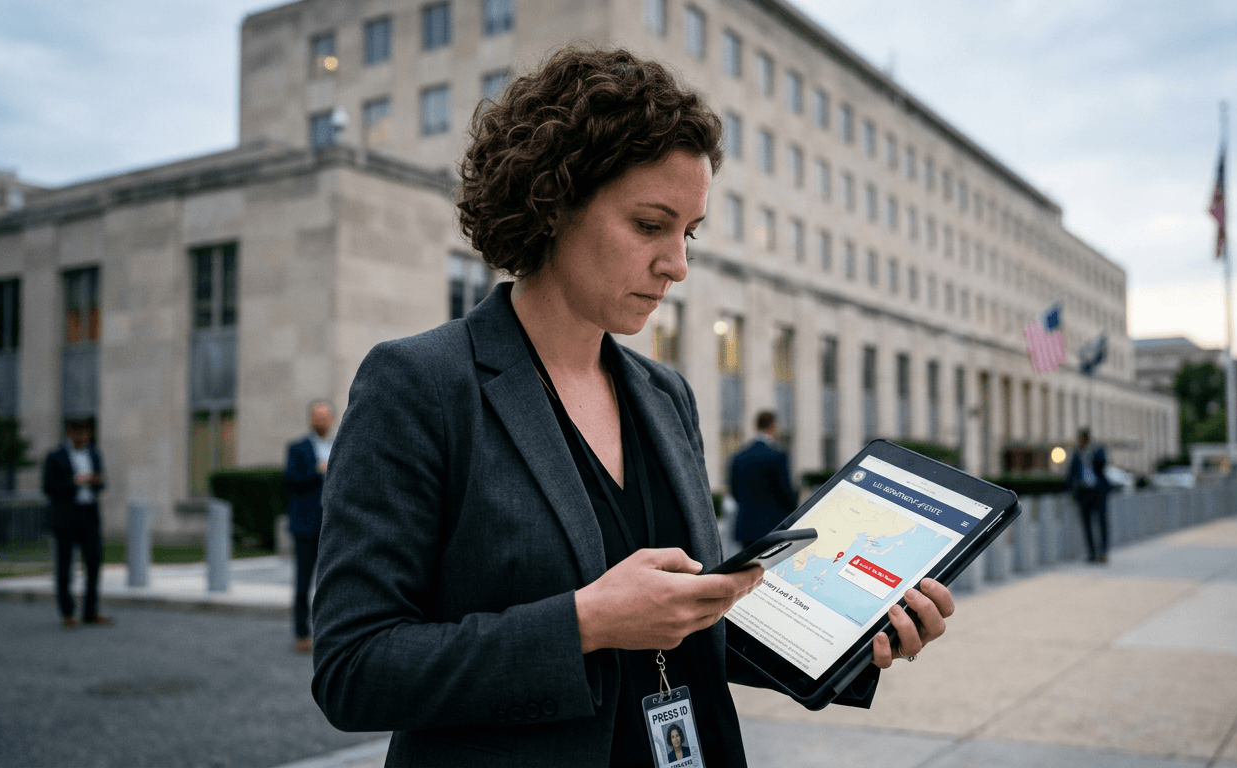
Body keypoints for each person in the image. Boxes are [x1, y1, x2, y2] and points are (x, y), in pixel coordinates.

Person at [310, 47, 954, 767]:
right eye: (650, 225)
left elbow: (690, 628)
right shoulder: (420, 383)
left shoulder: (665, 394)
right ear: (552, 203)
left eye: (689, 232)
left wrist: (852, 640)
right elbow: (353, 668)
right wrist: (584, 623)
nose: (678, 263)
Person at [41, 418, 110, 628]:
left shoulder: (94, 454)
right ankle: (67, 613)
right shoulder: (55, 456)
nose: (82, 436)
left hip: (88, 514)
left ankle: (90, 611)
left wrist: (97, 483)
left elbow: (101, 482)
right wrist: (75, 481)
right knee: (65, 565)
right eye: (77, 431)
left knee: (94, 563)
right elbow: (48, 486)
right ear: (69, 433)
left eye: (85, 431)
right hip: (66, 516)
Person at [284, 401, 334, 654]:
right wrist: (317, 470)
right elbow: (290, 479)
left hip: (334, 526)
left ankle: (330, 633)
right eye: (317, 416)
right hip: (306, 525)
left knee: (331, 583)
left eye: (325, 417)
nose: (321, 421)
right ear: (311, 420)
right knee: (303, 582)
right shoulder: (298, 448)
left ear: (332, 420)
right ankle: (302, 633)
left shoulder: (340, 446)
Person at [728, 411, 799, 548]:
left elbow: (734, 491)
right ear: (773, 427)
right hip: (772, 526)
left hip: (747, 526)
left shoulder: (739, 457)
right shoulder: (777, 456)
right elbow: (785, 492)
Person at [1067, 428, 1111, 564]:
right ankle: (1091, 553)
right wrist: (1072, 493)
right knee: (1086, 524)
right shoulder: (1076, 454)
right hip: (1084, 492)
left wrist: (1090, 453)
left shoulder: (1097, 451)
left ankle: (1103, 552)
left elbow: (1103, 465)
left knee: (1102, 522)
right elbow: (1071, 475)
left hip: (1098, 491)